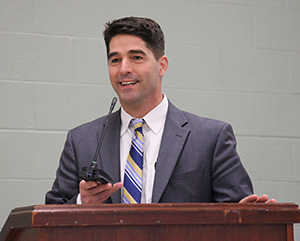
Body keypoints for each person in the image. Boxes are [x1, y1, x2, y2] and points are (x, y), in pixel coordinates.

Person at [46, 17, 275, 205]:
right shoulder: (81, 140)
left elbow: (236, 211)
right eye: (115, 60)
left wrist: (246, 217)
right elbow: (52, 215)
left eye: (136, 57)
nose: (124, 69)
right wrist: (81, 203)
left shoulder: (211, 138)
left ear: (162, 65)